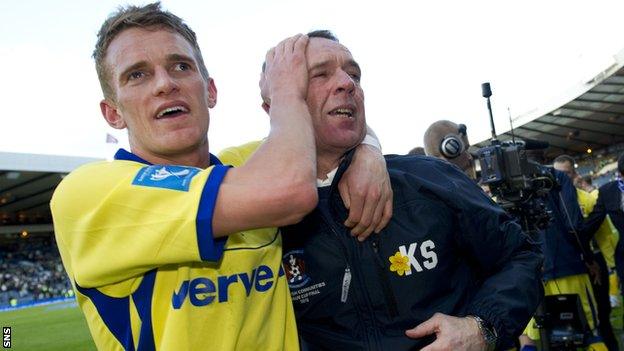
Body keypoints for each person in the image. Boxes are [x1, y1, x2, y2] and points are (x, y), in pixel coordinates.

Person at [51, 4, 392, 350]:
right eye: (137, 75)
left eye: (181, 66)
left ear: (210, 91)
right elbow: (288, 191)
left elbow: (336, 127)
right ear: (113, 113)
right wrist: (286, 91)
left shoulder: (245, 167)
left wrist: (367, 151)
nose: (165, 84)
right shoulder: (89, 193)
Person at [250, 30, 543, 350]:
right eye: (320, 74)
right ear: (278, 105)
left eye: (354, 74)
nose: (348, 83)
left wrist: (481, 326)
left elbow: (521, 257)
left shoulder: (431, 180)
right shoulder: (259, 219)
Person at [554, 155, 619, 351]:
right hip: (567, 268)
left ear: (574, 174)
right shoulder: (549, 205)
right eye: (556, 174)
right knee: (568, 320)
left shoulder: (589, 200)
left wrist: (612, 271)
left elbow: (605, 238)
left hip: (593, 265)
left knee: (601, 316)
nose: (560, 178)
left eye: (565, 173)